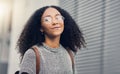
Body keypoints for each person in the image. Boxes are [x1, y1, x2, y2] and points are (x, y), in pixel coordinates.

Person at [17, 5, 86, 74]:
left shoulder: (69, 54)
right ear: (41, 28)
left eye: (58, 17)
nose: (55, 22)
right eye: (47, 19)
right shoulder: (33, 54)